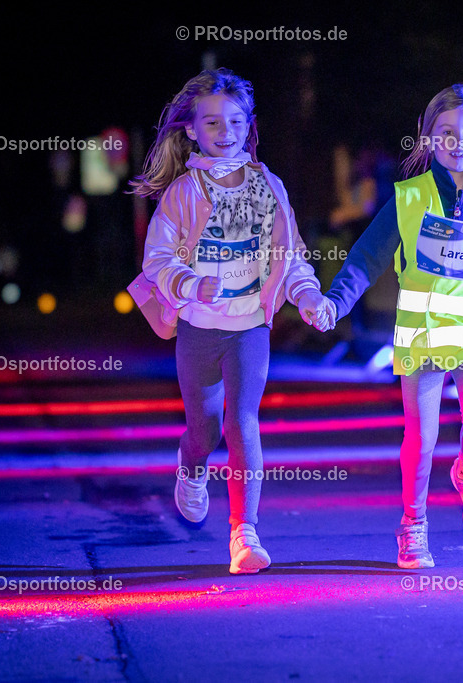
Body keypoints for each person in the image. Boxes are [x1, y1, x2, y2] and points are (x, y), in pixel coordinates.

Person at [324, 84, 463, 569]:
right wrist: (337, 301)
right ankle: (413, 524)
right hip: (423, 335)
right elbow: (366, 256)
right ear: (428, 139)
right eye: (445, 132)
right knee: (421, 438)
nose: (457, 142)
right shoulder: (408, 200)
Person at [129, 69, 335, 575]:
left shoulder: (269, 186)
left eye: (237, 121)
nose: (226, 131)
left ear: (250, 125)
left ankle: (244, 533)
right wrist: (188, 283)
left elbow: (289, 257)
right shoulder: (182, 192)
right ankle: (191, 465)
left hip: (250, 327)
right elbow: (156, 258)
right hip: (198, 328)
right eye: (212, 122)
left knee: (241, 421)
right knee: (204, 429)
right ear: (191, 129)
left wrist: (308, 296)